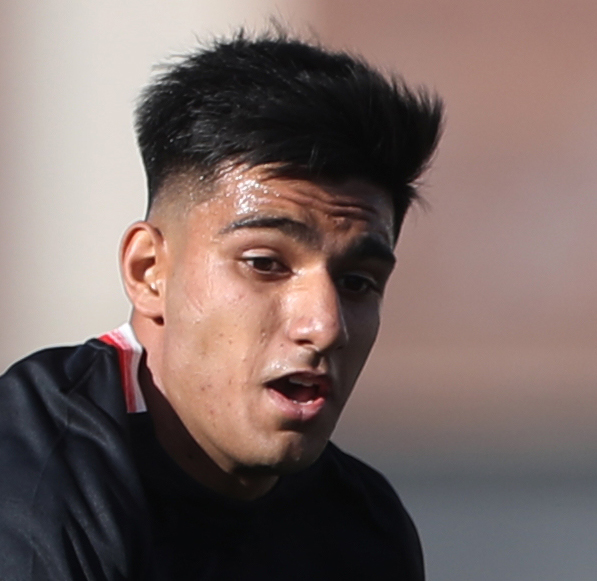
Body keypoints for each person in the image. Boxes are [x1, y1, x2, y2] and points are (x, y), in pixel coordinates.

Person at [0, 31, 442, 580]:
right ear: (148, 272)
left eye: (357, 282)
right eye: (265, 263)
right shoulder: (30, 496)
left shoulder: (364, 527)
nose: (324, 325)